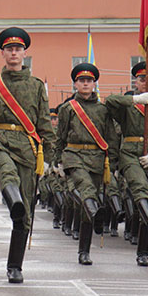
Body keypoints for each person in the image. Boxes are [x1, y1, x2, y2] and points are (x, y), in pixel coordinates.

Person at [0, 27, 55, 282]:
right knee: (7, 173)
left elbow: (44, 124)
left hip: (27, 148)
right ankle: (13, 200)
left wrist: (50, 160)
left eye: (18, 49)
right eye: (9, 49)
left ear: (24, 53)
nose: (14, 52)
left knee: (24, 217)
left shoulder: (35, 87)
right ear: (2, 53)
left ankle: (15, 267)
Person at [105, 62, 148, 267]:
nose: (146, 82)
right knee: (139, 188)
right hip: (130, 154)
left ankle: (143, 252)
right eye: (142, 79)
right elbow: (109, 102)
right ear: (135, 82)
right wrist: (134, 100)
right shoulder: (128, 107)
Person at [56, 63, 117, 265]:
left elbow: (110, 137)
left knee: (87, 208)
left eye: (89, 81)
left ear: (94, 84)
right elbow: (61, 136)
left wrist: (113, 163)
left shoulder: (103, 109)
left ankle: (84, 251)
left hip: (97, 159)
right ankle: (87, 243)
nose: (85, 84)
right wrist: (56, 161)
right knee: (87, 190)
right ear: (75, 84)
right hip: (74, 155)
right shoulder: (67, 108)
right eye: (81, 80)